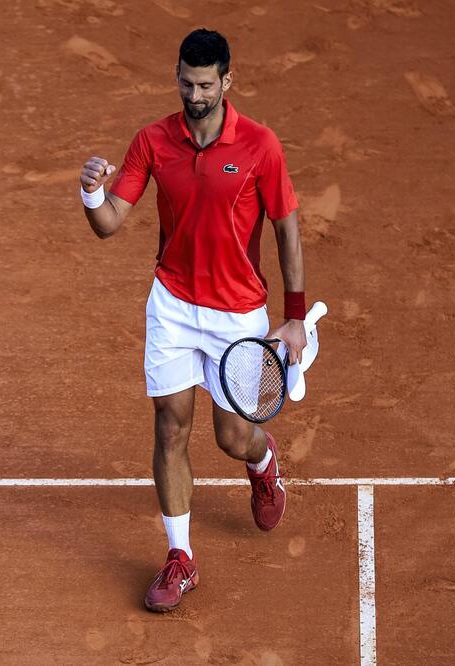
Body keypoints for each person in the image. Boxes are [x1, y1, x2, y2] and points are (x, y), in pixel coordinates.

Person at [79, 28, 308, 612]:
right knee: (170, 427)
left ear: (227, 81)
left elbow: (286, 228)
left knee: (230, 435)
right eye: (186, 82)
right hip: (174, 306)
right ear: (176, 76)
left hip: (237, 314)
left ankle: (261, 461)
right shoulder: (153, 141)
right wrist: (89, 194)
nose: (195, 94)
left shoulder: (260, 145)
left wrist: (295, 317)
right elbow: (109, 223)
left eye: (206, 84)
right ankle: (180, 557)